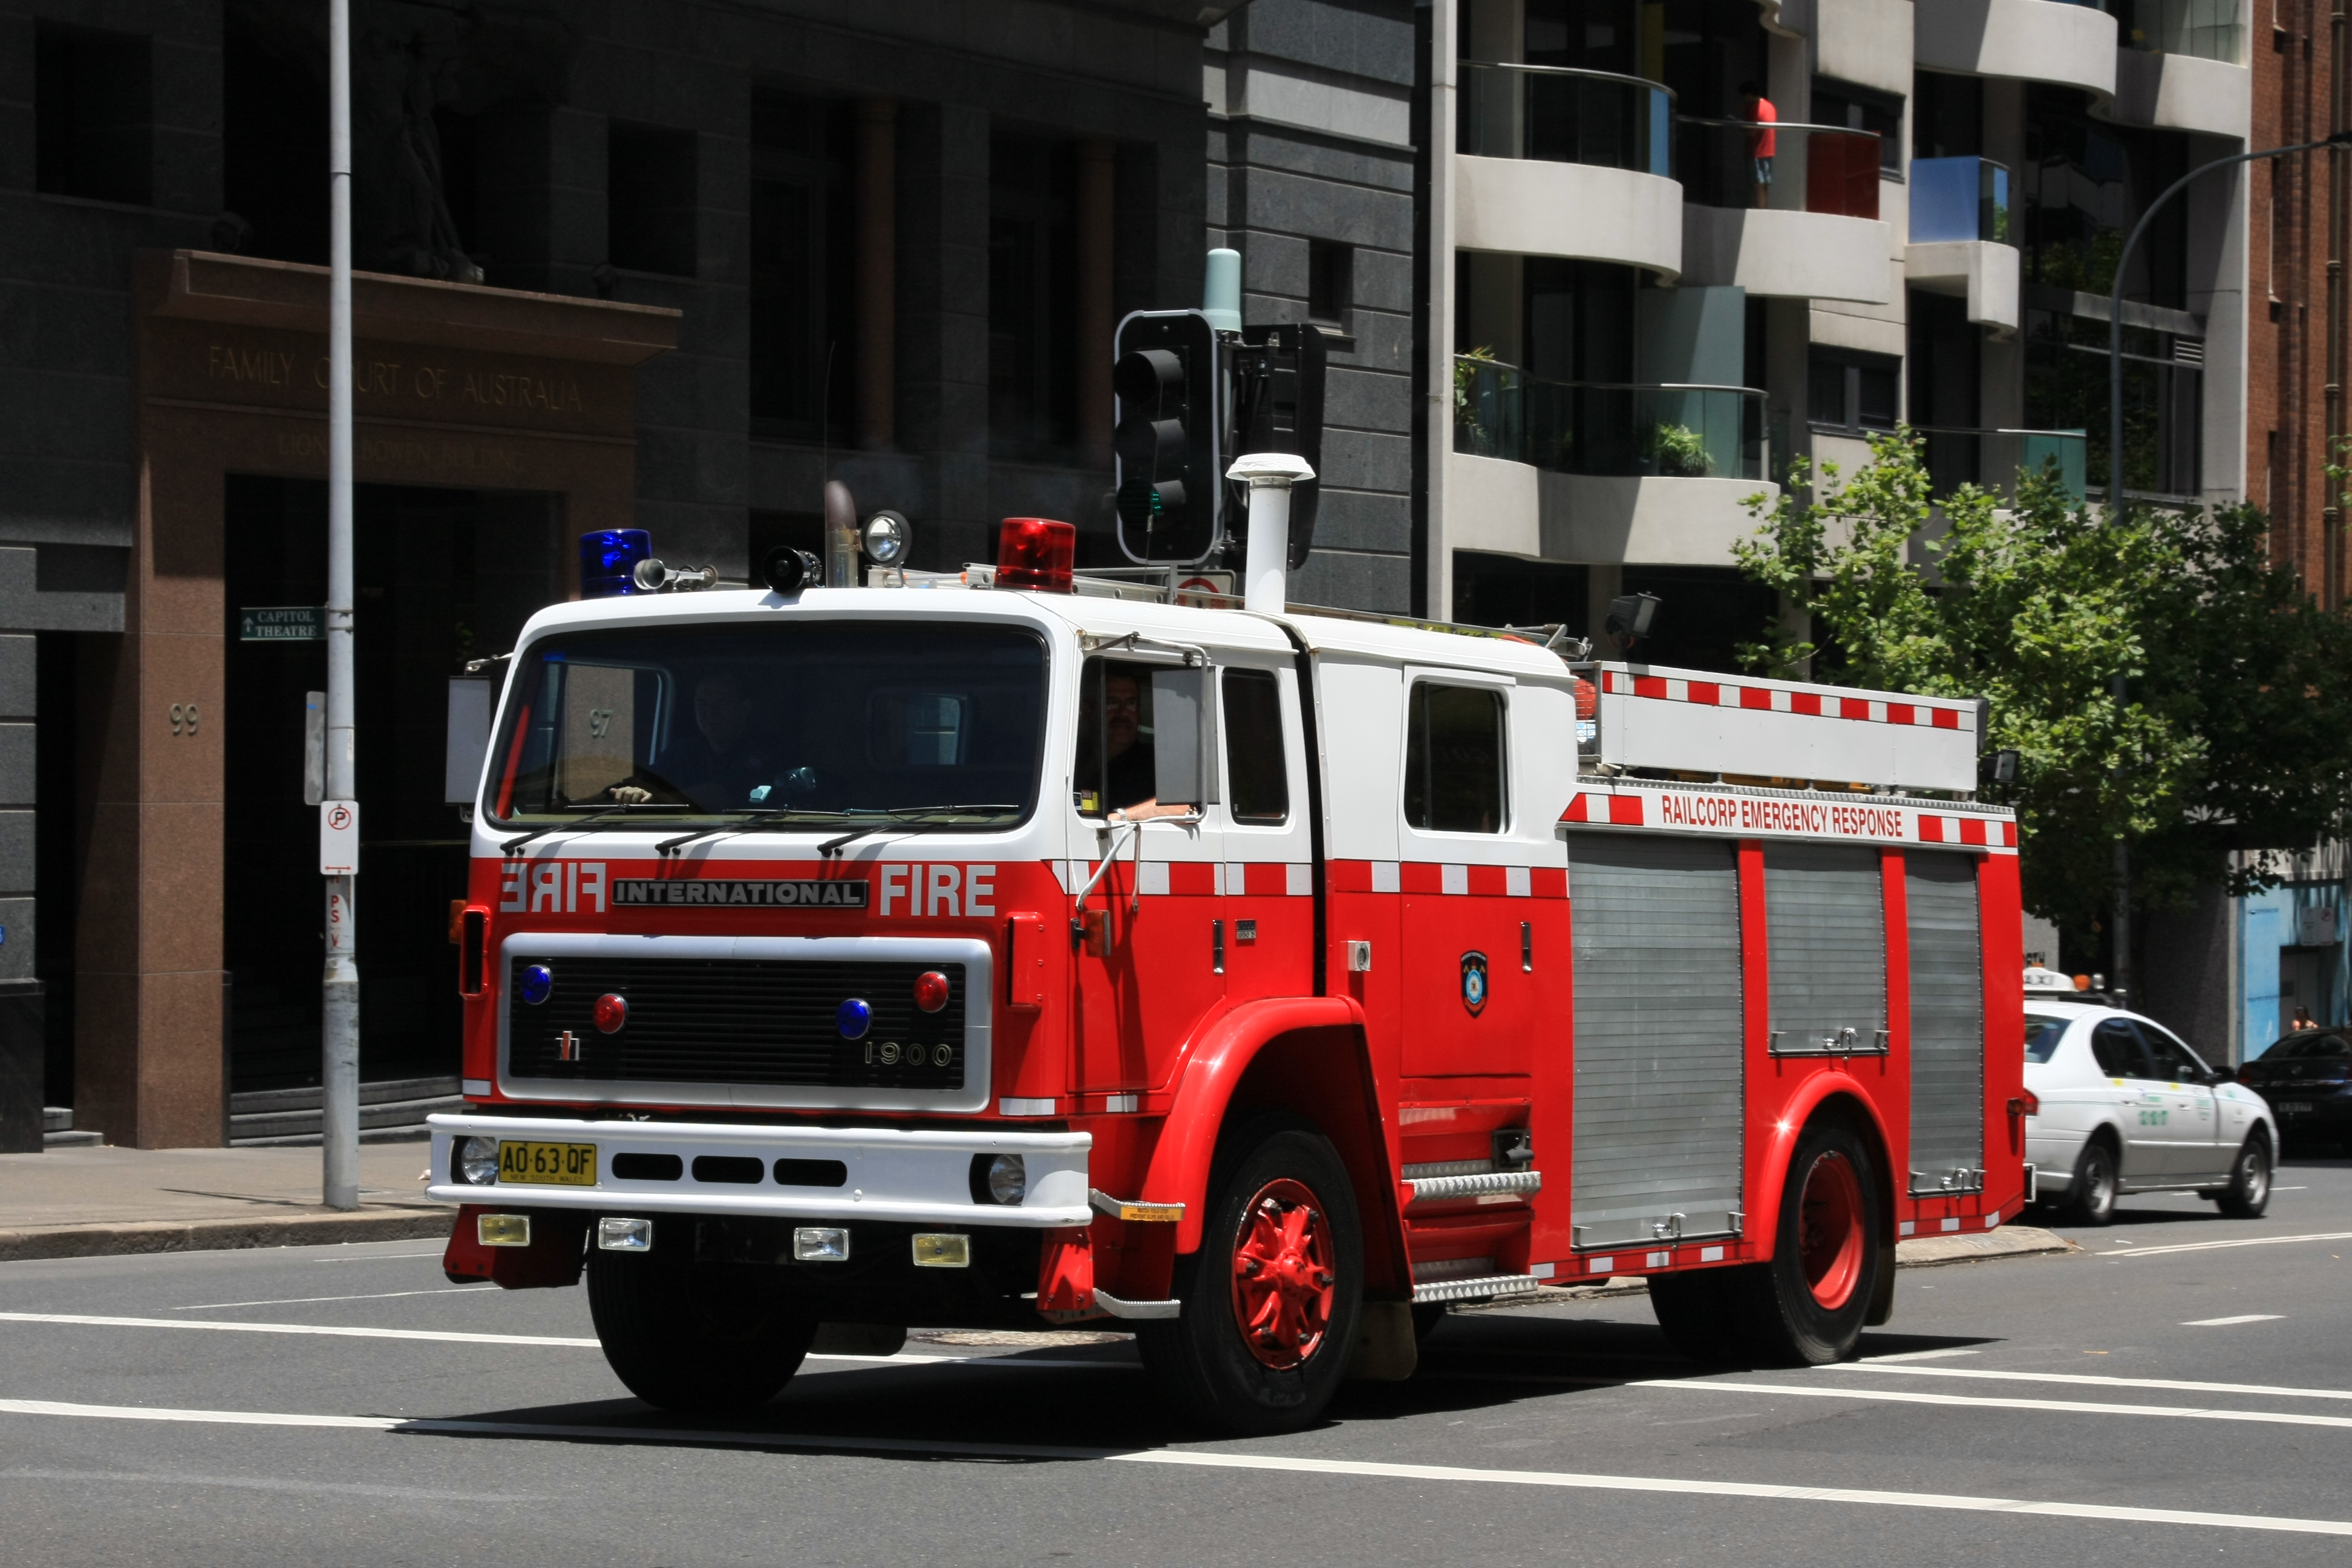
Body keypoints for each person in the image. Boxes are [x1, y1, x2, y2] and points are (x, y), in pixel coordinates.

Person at [1740, 81, 1775, 209]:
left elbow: (1751, 132)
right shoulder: (1770, 106)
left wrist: (1740, 126)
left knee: (1757, 185)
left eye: (1744, 96)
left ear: (1749, 95)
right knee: (1764, 186)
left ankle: (1760, 212)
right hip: (1769, 150)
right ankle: (1764, 210)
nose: (1743, 99)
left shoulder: (1754, 108)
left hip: (1757, 151)